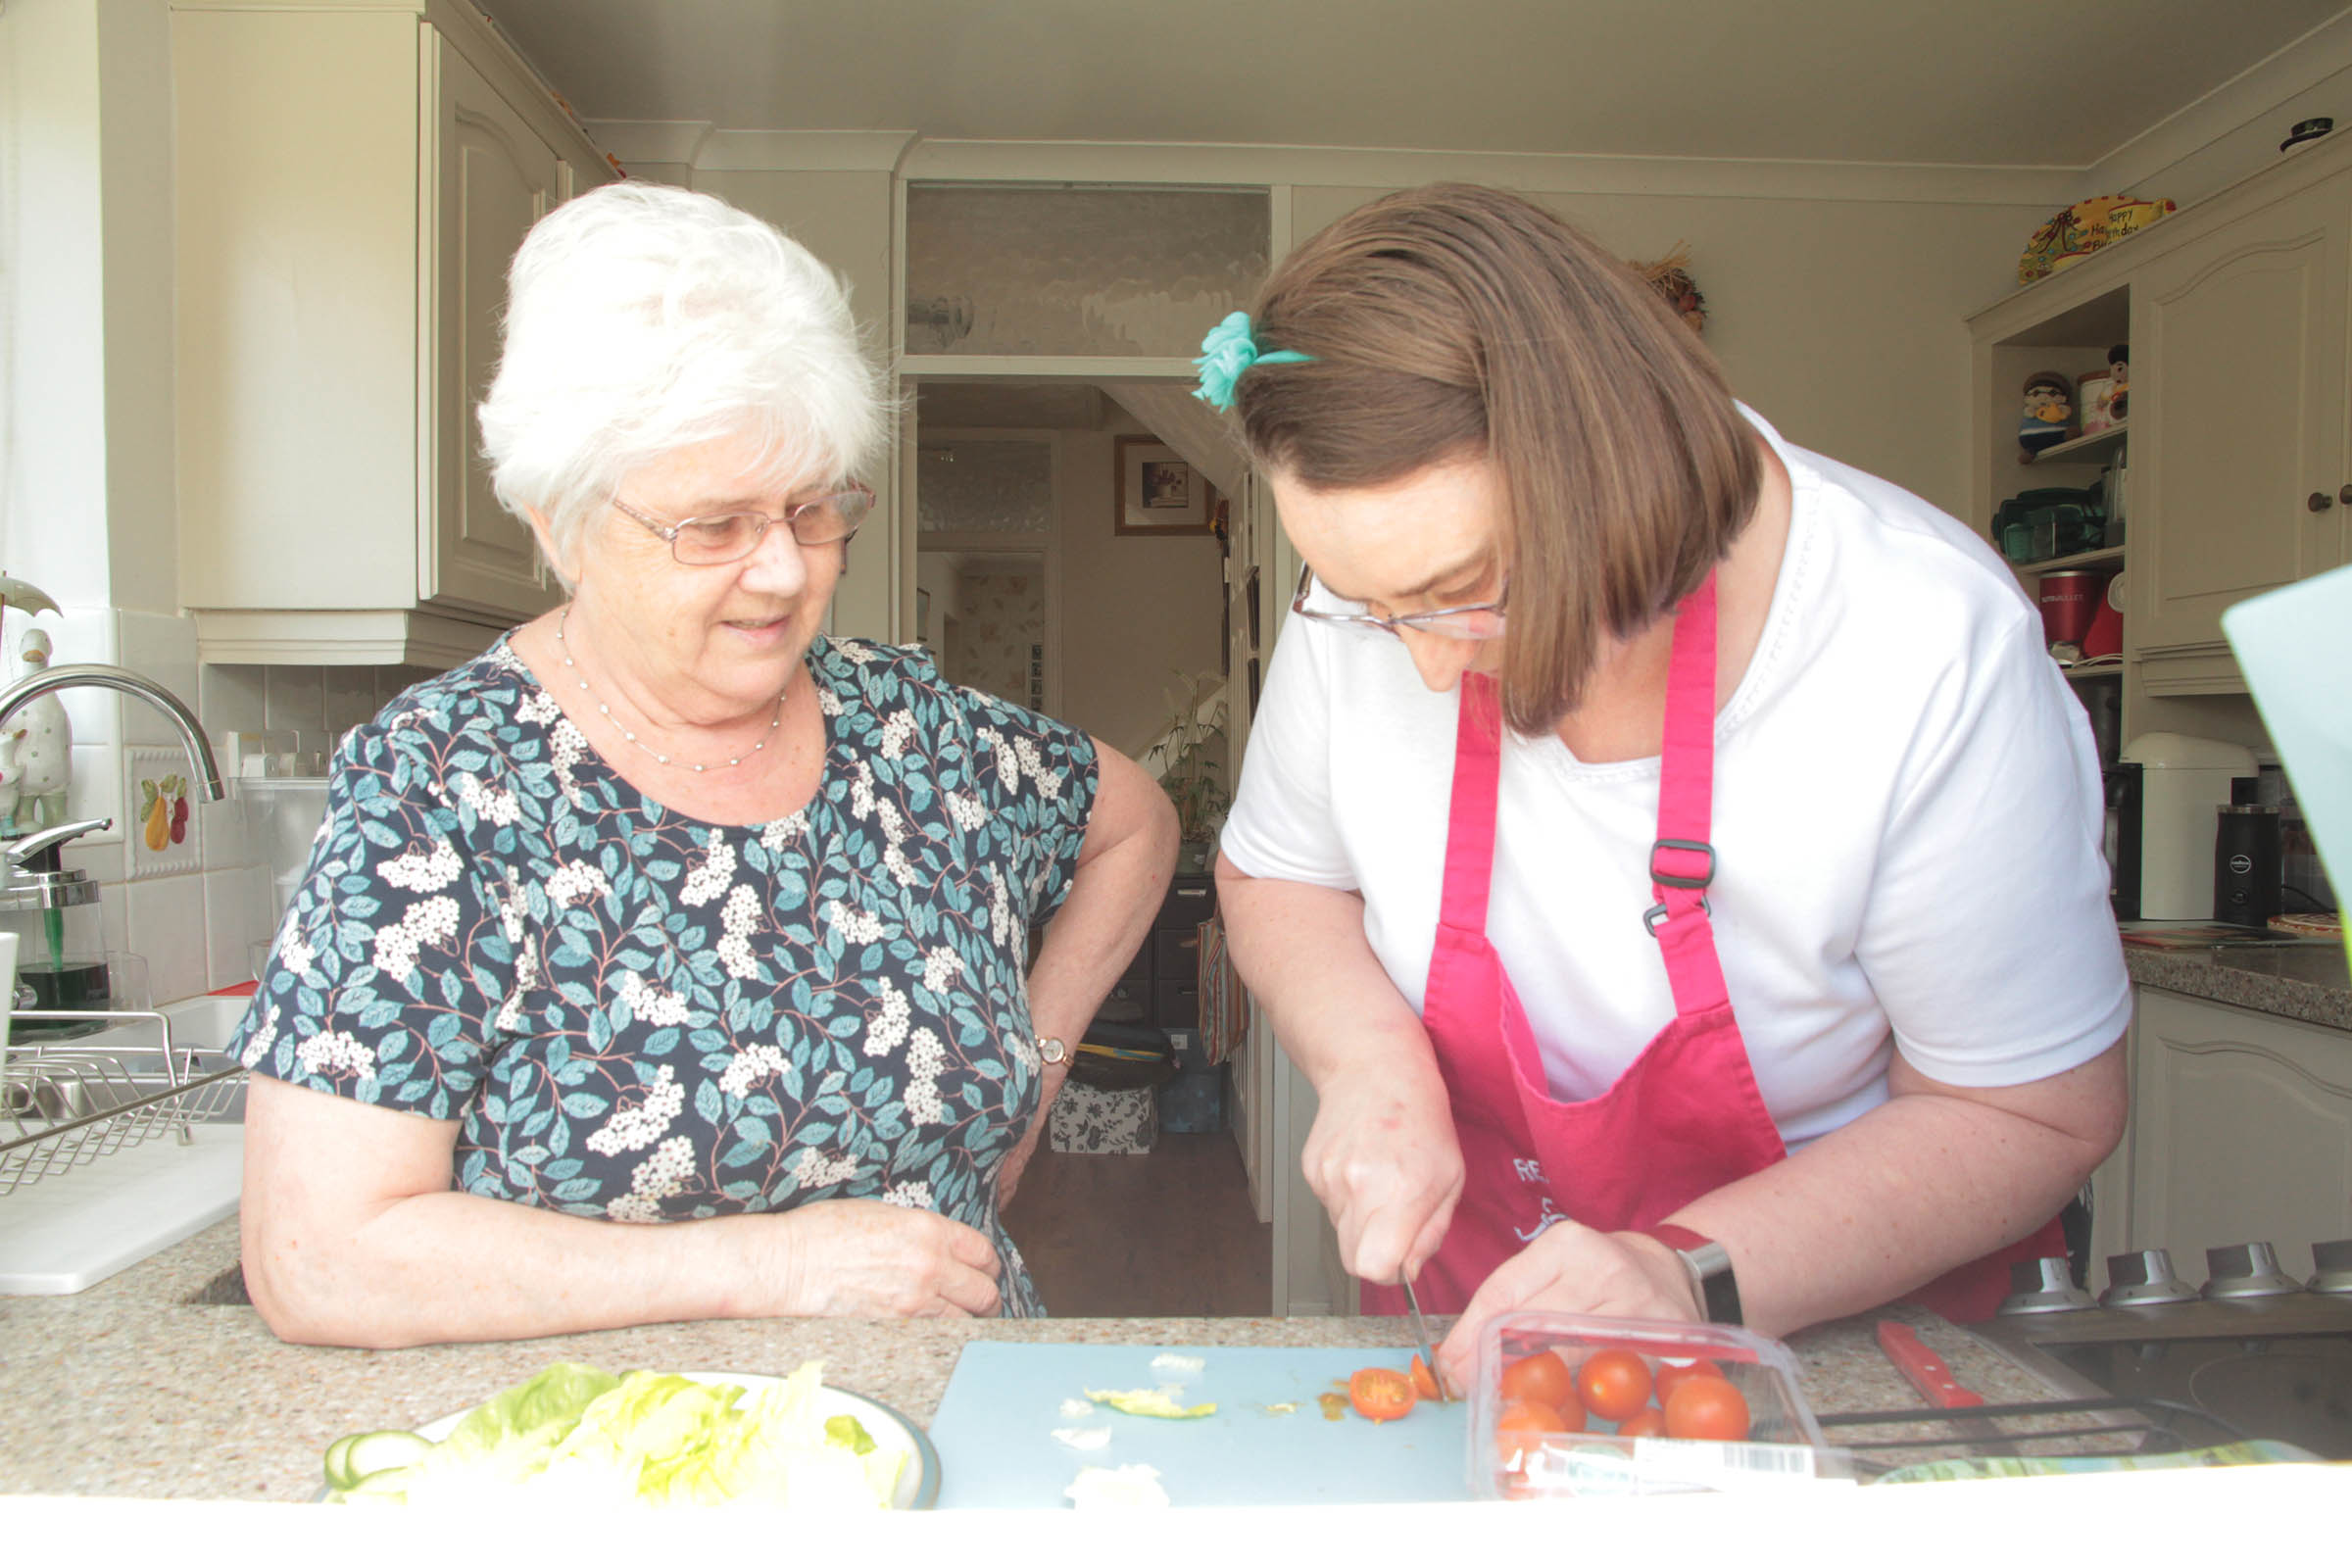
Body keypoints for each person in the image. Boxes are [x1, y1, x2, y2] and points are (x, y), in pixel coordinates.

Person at [1203, 184, 2129, 1387]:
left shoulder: (1922, 640)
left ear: (1618, 474)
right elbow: (1280, 872)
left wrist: (1686, 1270)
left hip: (1850, 1347)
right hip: (1486, 1326)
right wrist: (1368, 1060)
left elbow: (2031, 1114)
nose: (1423, 665)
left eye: (1463, 587)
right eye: (1375, 611)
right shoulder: (1372, 607)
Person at [234, 182, 1176, 1348]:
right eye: (714, 526)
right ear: (556, 520)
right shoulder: (443, 785)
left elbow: (1136, 824)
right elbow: (321, 1256)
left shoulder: (916, 734)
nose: (784, 572)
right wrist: (764, 1265)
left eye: (812, 508)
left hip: (966, 1427)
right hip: (631, 1472)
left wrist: (1037, 1060)